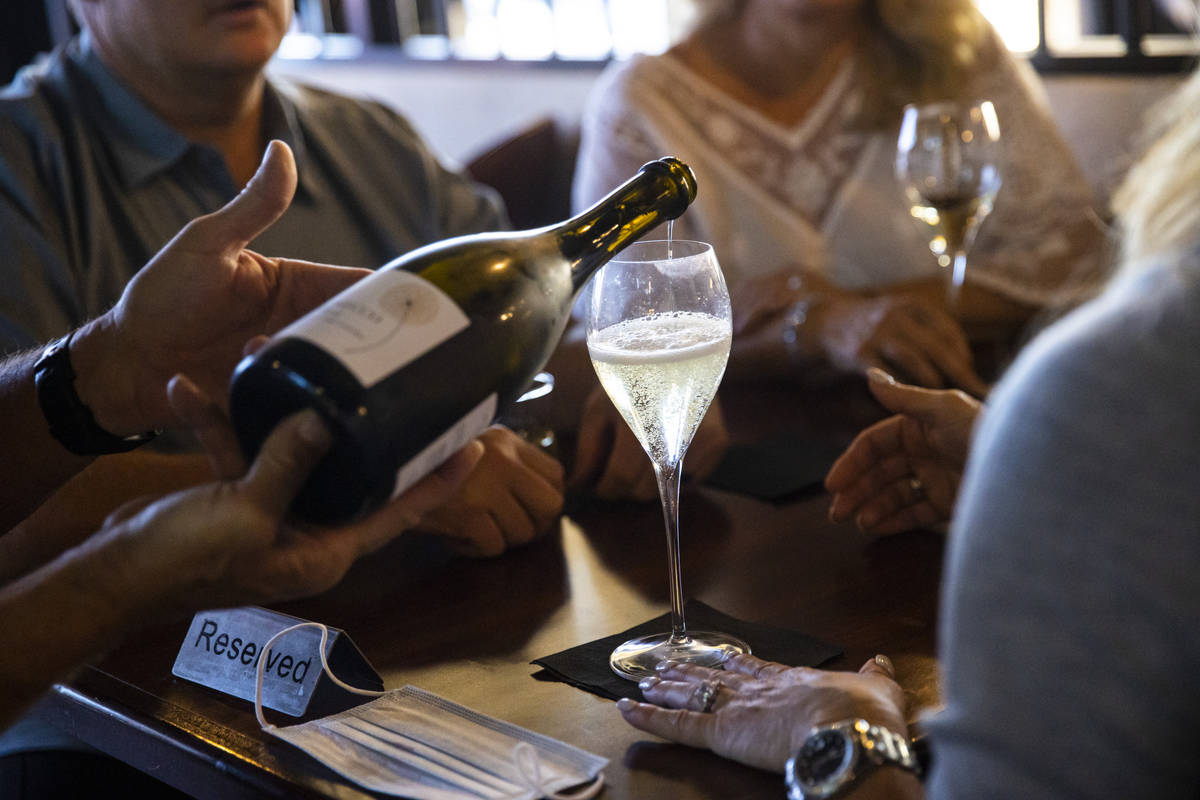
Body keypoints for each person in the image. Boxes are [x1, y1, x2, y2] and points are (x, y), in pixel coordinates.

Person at [612, 31, 1200, 800]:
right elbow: (613, 313)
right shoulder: (642, 95)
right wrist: (1012, 465)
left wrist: (839, 736)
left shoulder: (1123, 382)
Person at [0, 139, 483, 794]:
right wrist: (136, 571)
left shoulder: (372, 135)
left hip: (390, 670)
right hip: (100, 737)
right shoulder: (25, 160)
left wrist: (110, 366)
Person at [0, 0, 562, 558]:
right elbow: (21, 510)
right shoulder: (18, 167)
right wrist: (384, 487)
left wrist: (643, 417)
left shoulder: (376, 138)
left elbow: (542, 333)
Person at [573, 0, 1107, 394]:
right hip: (746, 475)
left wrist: (854, 312)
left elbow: (1078, 259)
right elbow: (619, 335)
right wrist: (816, 326)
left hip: (945, 420)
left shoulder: (957, 55)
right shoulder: (640, 106)